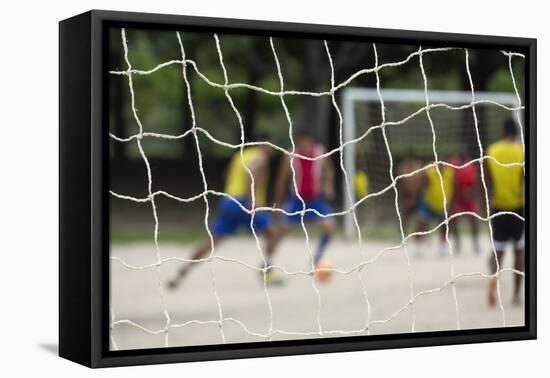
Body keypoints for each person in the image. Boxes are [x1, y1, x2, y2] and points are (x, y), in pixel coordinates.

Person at [167, 140, 282, 289]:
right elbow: (253, 173)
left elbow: (226, 173)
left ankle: (183, 271)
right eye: (270, 145)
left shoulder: (239, 155)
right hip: (244, 202)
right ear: (264, 145)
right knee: (273, 232)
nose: (272, 149)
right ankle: (267, 272)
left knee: (213, 240)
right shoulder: (260, 157)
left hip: (229, 200)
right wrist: (251, 199)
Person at [274, 130, 335, 281]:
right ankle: (268, 263)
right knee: (281, 229)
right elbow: (281, 179)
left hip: (315, 199)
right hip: (296, 200)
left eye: (307, 141)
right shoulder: (290, 155)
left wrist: (328, 185)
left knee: (329, 226)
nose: (304, 144)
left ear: (311, 140)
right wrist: (278, 202)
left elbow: (329, 171)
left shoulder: (320, 152)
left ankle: (317, 258)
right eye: (301, 141)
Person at [486, 119, 525, 306]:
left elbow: (488, 180)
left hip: (497, 207)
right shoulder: (522, 151)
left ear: (502, 131)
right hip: (518, 207)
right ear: (516, 132)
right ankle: (517, 296)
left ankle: (492, 286)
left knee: (498, 251)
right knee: (519, 252)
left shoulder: (492, 150)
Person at [414, 162, 454, 257]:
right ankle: (418, 247)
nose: (440, 164)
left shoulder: (450, 173)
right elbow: (422, 187)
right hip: (428, 202)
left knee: (444, 226)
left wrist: (451, 202)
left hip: (442, 204)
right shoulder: (429, 172)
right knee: (421, 223)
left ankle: (442, 247)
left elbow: (453, 187)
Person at [448, 146, 481, 254]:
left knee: (474, 220)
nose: (461, 155)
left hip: (468, 197)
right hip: (456, 197)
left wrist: (471, 192)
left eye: (463, 154)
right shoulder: (453, 163)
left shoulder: (471, 165)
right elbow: (450, 180)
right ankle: (457, 243)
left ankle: (475, 242)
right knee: (453, 220)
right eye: (460, 153)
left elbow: (475, 183)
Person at [397, 155, 424, 234]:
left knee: (422, 218)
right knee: (405, 217)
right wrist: (405, 199)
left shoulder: (419, 168)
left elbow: (422, 184)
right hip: (407, 195)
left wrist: (416, 197)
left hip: (418, 196)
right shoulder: (402, 169)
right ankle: (401, 235)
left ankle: (420, 237)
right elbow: (401, 185)